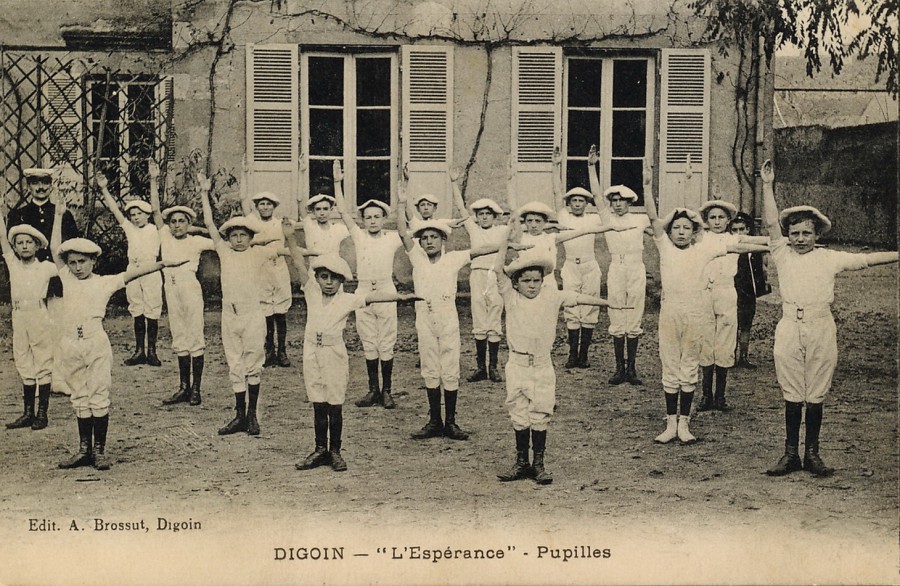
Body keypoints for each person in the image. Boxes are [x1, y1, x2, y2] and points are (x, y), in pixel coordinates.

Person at [760, 160, 898, 477]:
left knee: (816, 391)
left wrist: (897, 254)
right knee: (793, 391)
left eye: (806, 233)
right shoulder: (781, 253)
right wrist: (767, 185)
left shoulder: (829, 258)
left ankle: (813, 454)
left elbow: (865, 260)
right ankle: (790, 454)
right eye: (794, 233)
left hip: (820, 326)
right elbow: (770, 224)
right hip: (789, 327)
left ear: (816, 233)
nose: (800, 238)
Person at [50, 199, 185, 470]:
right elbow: (55, 248)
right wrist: (57, 214)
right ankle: (83, 449)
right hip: (70, 345)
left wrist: (160, 265)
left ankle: (99, 450)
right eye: (73, 262)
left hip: (95, 343)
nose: (77, 267)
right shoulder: (65, 278)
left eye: (83, 262)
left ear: (93, 261)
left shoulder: (104, 283)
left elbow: (132, 273)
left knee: (98, 394)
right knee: (79, 396)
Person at [398, 180, 530, 441]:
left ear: (443, 239)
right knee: (430, 368)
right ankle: (434, 421)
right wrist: (402, 202)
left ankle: (451, 423)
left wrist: (506, 247)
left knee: (449, 367)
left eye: (434, 237)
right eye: (425, 238)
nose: (429, 242)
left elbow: (480, 249)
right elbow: (403, 232)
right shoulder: (416, 258)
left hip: (447, 317)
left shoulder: (453, 258)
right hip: (424, 317)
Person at [493, 208, 617, 485]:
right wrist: (506, 239)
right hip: (517, 364)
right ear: (515, 282)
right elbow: (497, 268)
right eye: (526, 280)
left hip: (541, 365)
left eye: (536, 280)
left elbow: (580, 298)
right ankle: (521, 462)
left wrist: (610, 304)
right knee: (519, 412)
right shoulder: (510, 298)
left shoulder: (551, 296)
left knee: (540, 412)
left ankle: (539, 464)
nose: (532, 285)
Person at [645, 171, 767, 445]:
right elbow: (654, 221)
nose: (680, 232)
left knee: (689, 364)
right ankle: (670, 423)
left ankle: (685, 423)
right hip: (670, 314)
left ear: (695, 232)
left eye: (687, 228)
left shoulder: (703, 250)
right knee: (670, 364)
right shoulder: (664, 248)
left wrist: (775, 244)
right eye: (676, 227)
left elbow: (738, 245)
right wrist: (648, 186)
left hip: (695, 314)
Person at [284, 220, 418, 471]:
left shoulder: (347, 299)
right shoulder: (311, 293)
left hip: (334, 353)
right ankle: (319, 449)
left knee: (334, 402)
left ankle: (335, 451)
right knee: (317, 400)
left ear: (342, 281)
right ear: (318, 279)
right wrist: (290, 238)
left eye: (334, 279)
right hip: (311, 351)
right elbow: (298, 263)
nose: (328, 283)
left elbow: (372, 296)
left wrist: (400, 296)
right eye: (324, 277)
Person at [199, 175, 311, 437]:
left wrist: (302, 247)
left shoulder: (259, 253)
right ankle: (239, 415)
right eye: (234, 235)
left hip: (253, 317)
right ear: (228, 238)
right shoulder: (224, 252)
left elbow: (288, 252)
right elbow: (208, 223)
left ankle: (252, 416)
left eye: (243, 235)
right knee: (235, 365)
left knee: (253, 364)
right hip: (230, 317)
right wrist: (205, 193)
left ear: (251, 237)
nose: (238, 239)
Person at [332, 160, 404, 409]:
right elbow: (342, 211)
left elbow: (411, 227)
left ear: (384, 219)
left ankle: (387, 391)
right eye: (368, 217)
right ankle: (373, 390)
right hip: (363, 290)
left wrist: (404, 193)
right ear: (362, 220)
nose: (372, 221)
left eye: (377, 217)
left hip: (385, 290)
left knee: (387, 341)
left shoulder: (393, 238)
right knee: (368, 340)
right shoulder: (359, 236)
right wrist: (337, 184)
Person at [8, 168, 80, 397]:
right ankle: (36, 382)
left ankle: (57, 379)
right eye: (35, 183)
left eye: (44, 183)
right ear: (28, 186)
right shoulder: (19, 215)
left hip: (56, 281)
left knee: (58, 330)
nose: (40, 188)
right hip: (30, 285)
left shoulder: (62, 214)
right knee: (33, 335)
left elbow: (72, 246)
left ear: (51, 185)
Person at [587, 146, 653, 386]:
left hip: (636, 268)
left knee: (634, 314)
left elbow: (659, 231)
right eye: (613, 201)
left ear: (630, 202)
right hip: (617, 267)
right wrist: (591, 167)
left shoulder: (640, 220)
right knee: (616, 312)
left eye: (621, 201)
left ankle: (632, 368)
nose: (617, 205)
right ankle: (618, 368)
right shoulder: (607, 219)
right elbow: (596, 196)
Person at [696, 200, 769, 412]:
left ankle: (720, 397)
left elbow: (754, 242)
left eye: (721, 217)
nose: (717, 222)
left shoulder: (734, 238)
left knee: (725, 342)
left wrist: (779, 243)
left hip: (726, 292)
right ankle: (706, 395)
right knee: (706, 342)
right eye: (712, 218)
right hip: (704, 293)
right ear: (706, 221)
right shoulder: (700, 238)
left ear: (728, 220)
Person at [150, 170, 215, 408]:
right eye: (174, 221)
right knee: (179, 336)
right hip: (171, 290)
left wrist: (199, 228)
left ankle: (196, 388)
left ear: (189, 223)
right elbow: (156, 212)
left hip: (190, 289)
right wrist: (154, 179)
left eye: (182, 221)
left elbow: (219, 240)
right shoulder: (165, 237)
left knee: (195, 336)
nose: (177, 225)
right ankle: (183, 387)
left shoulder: (196, 241)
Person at [96, 171, 163, 367]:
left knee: (152, 309)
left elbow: (157, 206)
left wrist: (152, 179)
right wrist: (104, 189)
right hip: (133, 270)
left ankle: (152, 351)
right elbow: (115, 211)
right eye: (132, 215)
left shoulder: (156, 229)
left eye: (139, 214)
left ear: (147, 214)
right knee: (137, 309)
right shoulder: (130, 229)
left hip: (151, 269)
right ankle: (139, 350)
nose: (135, 218)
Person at [449, 170, 509, 383]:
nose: (484, 217)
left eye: (488, 214)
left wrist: (510, 179)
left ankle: (493, 367)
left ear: (494, 216)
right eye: (481, 214)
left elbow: (518, 217)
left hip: (495, 276)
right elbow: (461, 209)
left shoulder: (502, 231)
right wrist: (454, 183)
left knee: (494, 314)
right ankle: (480, 367)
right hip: (477, 276)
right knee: (479, 317)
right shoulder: (473, 230)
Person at [0, 210, 57, 431]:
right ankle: (27, 413)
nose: (24, 246)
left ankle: (42, 413)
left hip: (38, 315)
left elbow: (64, 265)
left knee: (42, 359)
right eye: (20, 243)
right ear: (15, 247)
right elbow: (3, 241)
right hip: (19, 316)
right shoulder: (13, 265)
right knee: (22, 359)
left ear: (37, 246)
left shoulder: (45, 268)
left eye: (29, 242)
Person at [551, 147, 604, 369]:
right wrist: (555, 168)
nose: (577, 203)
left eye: (581, 200)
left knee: (590, 309)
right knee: (571, 308)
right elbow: (555, 194)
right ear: (569, 203)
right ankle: (572, 354)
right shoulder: (562, 216)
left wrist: (592, 168)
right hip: (571, 266)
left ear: (586, 203)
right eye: (573, 200)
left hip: (590, 267)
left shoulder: (593, 219)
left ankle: (584, 355)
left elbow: (600, 199)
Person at [238, 167, 294, 368]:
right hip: (259, 271)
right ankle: (268, 350)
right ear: (256, 206)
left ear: (274, 206)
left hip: (278, 269)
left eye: (268, 204)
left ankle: (282, 351)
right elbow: (243, 201)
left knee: (281, 311)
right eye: (261, 204)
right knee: (265, 313)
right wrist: (244, 174)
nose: (265, 207)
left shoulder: (281, 223)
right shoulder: (250, 222)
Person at [729, 212, 769, 369]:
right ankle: (729, 356)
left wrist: (762, 286)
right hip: (732, 292)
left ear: (748, 230)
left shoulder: (754, 251)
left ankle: (743, 357)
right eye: (735, 230)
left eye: (742, 229)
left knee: (746, 325)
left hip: (748, 293)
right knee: (732, 325)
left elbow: (761, 271)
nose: (739, 233)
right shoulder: (730, 250)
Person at [297, 192, 350, 256]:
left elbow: (357, 233)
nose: (322, 213)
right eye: (318, 209)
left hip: (335, 264)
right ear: (313, 212)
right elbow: (301, 204)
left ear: (331, 210)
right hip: (317, 264)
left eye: (325, 209)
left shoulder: (338, 229)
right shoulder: (310, 228)